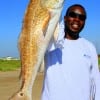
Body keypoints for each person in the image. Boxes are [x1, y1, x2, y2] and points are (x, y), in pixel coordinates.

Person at [41, 4, 100, 100]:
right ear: (65, 18)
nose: (77, 19)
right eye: (73, 15)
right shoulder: (51, 43)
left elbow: (96, 81)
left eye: (82, 17)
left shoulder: (90, 47)